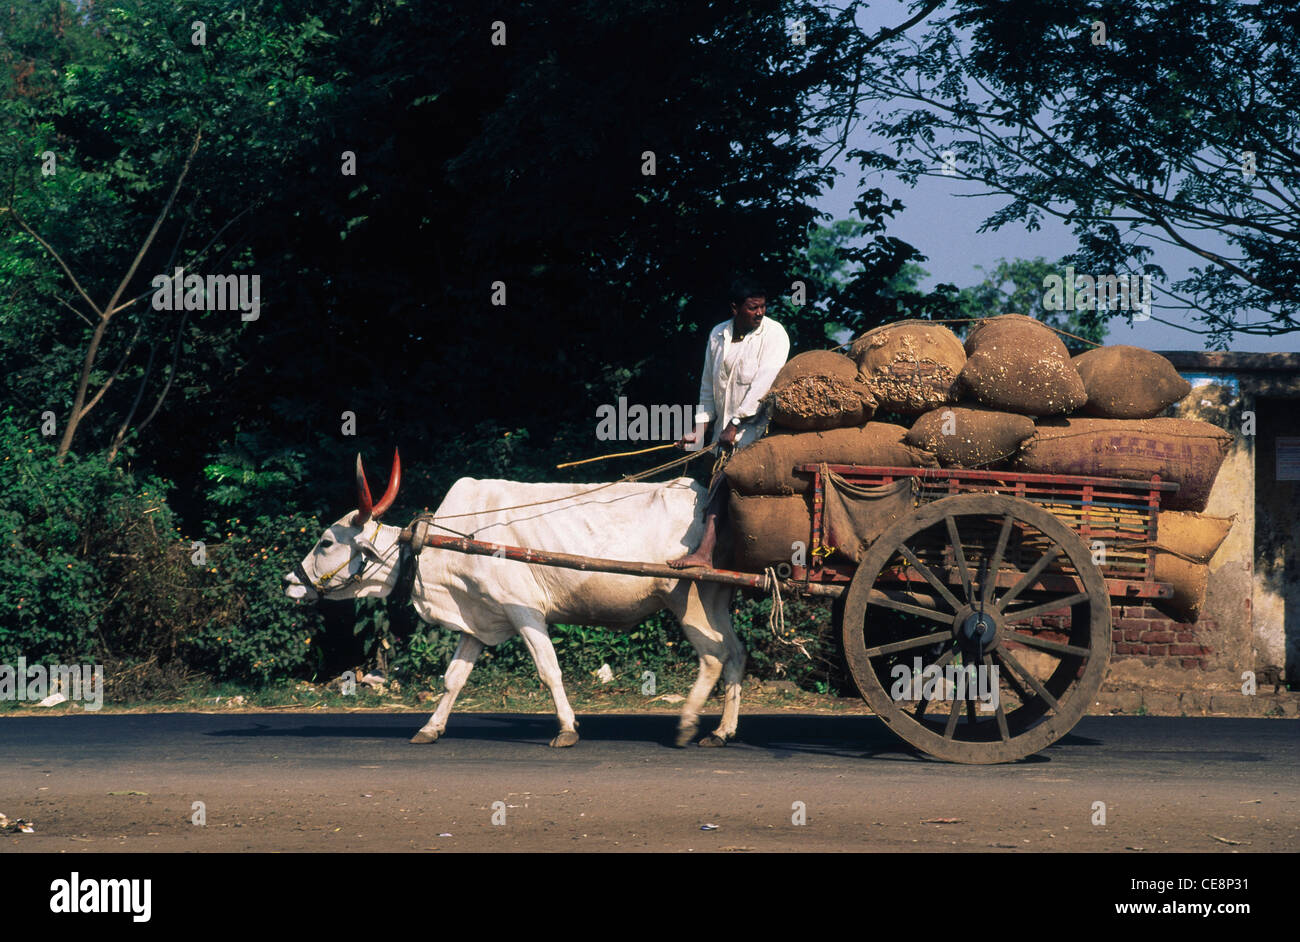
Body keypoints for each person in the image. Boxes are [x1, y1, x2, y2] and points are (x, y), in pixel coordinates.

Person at [668, 276, 789, 569]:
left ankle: (704, 552)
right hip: (724, 434)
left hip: (757, 429)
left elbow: (764, 384)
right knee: (714, 483)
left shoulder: (774, 335)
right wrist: (699, 428)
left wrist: (735, 422)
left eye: (762, 307)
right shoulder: (717, 335)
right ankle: (717, 553)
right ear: (735, 308)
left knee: (723, 483)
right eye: (752, 308)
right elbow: (708, 386)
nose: (759, 313)